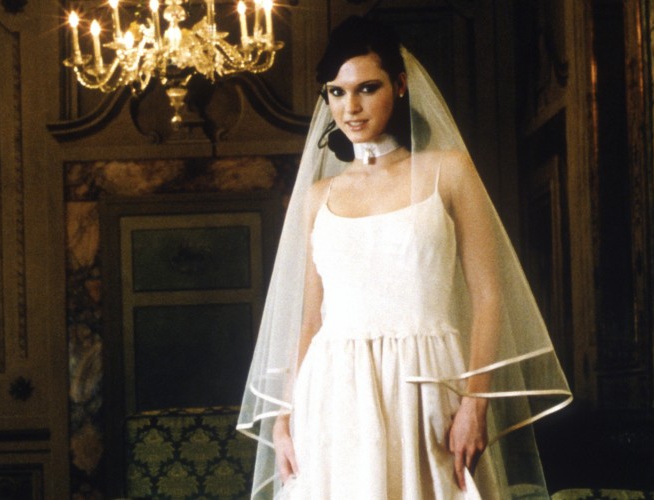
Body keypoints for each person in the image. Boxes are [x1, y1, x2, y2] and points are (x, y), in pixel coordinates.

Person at [237, 16, 572, 499]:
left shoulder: (449, 172)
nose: (350, 107)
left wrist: (475, 403)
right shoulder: (317, 196)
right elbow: (309, 321)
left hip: (426, 386)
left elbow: (488, 297)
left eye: (366, 88)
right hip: (332, 395)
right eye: (336, 92)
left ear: (399, 85)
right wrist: (285, 420)